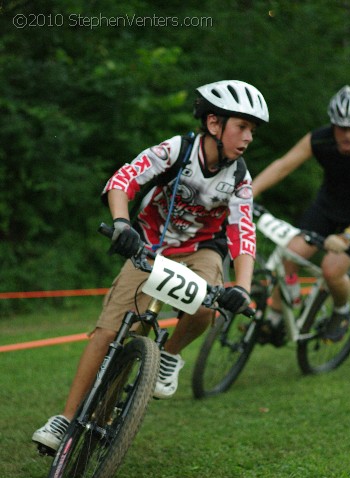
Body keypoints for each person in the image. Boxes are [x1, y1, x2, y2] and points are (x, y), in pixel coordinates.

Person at [32, 79, 269, 452]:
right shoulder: (178, 150)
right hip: (151, 246)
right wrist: (122, 223)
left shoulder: (239, 178)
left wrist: (242, 286)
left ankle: (169, 357)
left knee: (208, 304)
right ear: (213, 123)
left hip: (200, 249)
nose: (248, 137)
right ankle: (66, 419)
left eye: (252, 130)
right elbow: (125, 178)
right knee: (109, 333)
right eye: (242, 126)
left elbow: (243, 233)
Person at [252, 85, 350, 342]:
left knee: (331, 269)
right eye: (340, 127)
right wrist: (249, 192)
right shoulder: (321, 139)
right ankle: (278, 316)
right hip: (327, 207)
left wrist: (347, 237)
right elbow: (283, 166)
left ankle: (341, 310)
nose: (346, 135)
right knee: (290, 256)